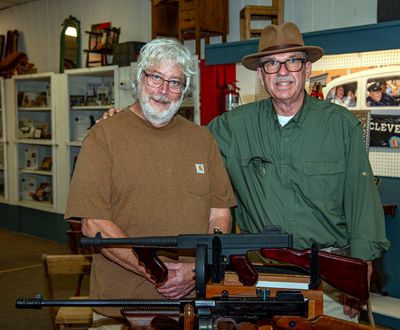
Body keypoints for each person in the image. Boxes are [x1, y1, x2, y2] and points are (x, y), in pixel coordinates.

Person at [207, 22, 390, 322]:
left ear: (307, 70)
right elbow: (186, 147)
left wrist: (359, 271)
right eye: (271, 64)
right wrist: (132, 121)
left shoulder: (340, 126)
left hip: (329, 281)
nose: (282, 72)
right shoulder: (232, 128)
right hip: (259, 279)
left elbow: (362, 203)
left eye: (292, 61)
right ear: (261, 75)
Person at [65, 38, 236, 329]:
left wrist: (197, 270)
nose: (163, 90)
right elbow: (94, 225)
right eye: (156, 77)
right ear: (139, 76)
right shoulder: (103, 137)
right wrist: (156, 272)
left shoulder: (202, 140)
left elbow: (219, 215)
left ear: (185, 90)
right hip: (120, 309)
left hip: (192, 307)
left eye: (174, 82)